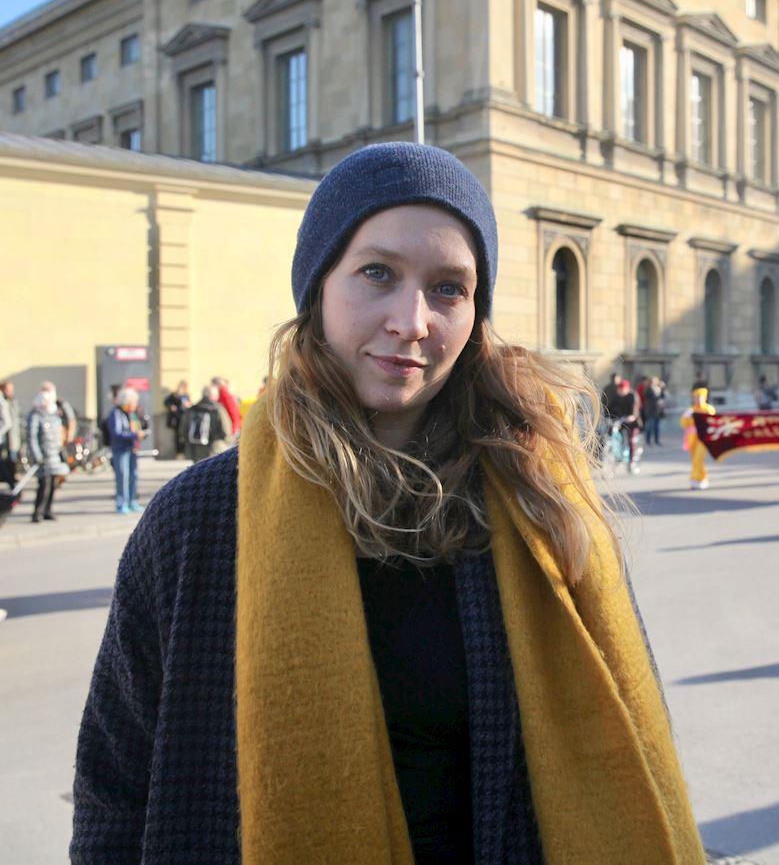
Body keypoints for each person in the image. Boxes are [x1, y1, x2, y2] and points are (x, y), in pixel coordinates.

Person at [71, 143, 704, 863]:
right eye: (377, 273)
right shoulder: (201, 519)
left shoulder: (542, 501)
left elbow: (637, 744)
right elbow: (114, 789)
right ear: (318, 287)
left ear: (476, 313)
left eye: (448, 288)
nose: (412, 320)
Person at [25, 391, 69, 522]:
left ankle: (48, 510)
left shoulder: (54, 415)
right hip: (44, 457)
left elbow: (61, 429)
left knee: (53, 485)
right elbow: (32, 437)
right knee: (44, 485)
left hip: (54, 456)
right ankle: (37, 512)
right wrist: (37, 455)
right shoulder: (35, 416)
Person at [104, 387, 146, 513]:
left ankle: (132, 501)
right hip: (121, 449)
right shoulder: (116, 413)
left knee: (133, 475)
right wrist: (134, 435)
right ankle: (121, 503)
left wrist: (140, 434)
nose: (136, 404)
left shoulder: (132, 414)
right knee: (122, 476)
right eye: (134, 402)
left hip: (132, 448)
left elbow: (136, 427)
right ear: (127, 402)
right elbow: (116, 433)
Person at [183, 385, 233, 462]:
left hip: (196, 448)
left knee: (199, 468)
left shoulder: (192, 409)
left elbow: (184, 428)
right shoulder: (217, 409)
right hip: (215, 447)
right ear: (212, 395)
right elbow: (226, 428)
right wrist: (228, 442)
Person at [681, 384, 716, 490]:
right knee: (695, 460)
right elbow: (683, 424)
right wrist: (686, 416)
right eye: (696, 397)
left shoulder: (709, 409)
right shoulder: (691, 410)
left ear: (704, 398)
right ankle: (702, 478)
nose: (698, 399)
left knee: (698, 459)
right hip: (692, 439)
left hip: (703, 438)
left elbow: (713, 423)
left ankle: (695, 479)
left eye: (700, 397)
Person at [608, 377, 642, 470]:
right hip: (620, 422)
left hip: (632, 422)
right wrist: (607, 417)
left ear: (627, 388)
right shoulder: (616, 396)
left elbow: (634, 412)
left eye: (623, 389)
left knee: (631, 440)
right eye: (620, 389)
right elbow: (609, 408)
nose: (622, 391)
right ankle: (616, 457)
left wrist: (629, 417)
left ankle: (631, 461)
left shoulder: (632, 396)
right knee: (614, 436)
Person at [163, 380, 192, 458]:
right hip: (177, 419)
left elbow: (190, 404)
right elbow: (166, 402)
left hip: (185, 418)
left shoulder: (186, 395)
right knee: (178, 436)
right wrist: (171, 406)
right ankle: (179, 453)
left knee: (184, 436)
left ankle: (184, 452)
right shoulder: (174, 395)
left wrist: (188, 405)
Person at [0, 380, 19, 487]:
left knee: (6, 464)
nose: (11, 392)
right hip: (5, 439)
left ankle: (13, 484)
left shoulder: (3, 401)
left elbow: (7, 423)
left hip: (7, 439)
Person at [642, 376, 667, 446]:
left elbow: (663, 397)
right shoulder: (648, 389)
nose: (654, 382)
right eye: (653, 381)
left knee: (657, 426)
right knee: (650, 426)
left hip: (658, 410)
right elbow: (646, 395)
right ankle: (648, 441)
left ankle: (657, 440)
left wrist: (662, 388)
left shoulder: (659, 389)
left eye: (655, 381)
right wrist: (652, 389)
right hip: (650, 410)